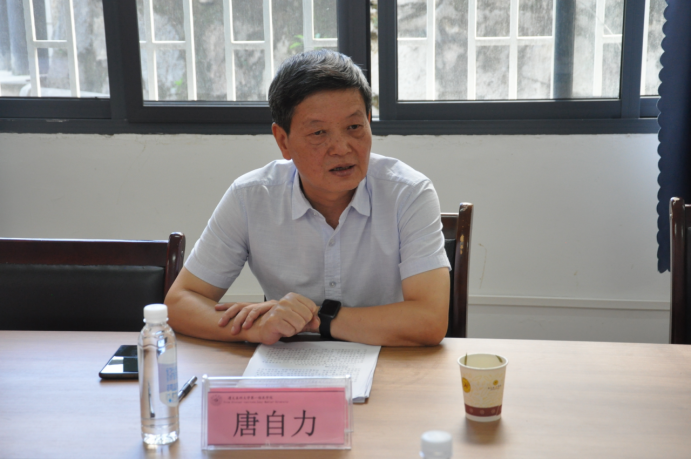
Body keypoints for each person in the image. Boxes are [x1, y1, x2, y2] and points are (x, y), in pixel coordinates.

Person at [165, 50, 450, 347]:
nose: (341, 148)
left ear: (368, 121)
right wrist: (255, 327)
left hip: (390, 362)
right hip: (286, 365)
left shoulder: (409, 193)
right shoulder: (250, 198)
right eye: (318, 133)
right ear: (283, 141)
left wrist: (316, 319)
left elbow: (429, 320)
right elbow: (179, 303)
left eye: (354, 127)